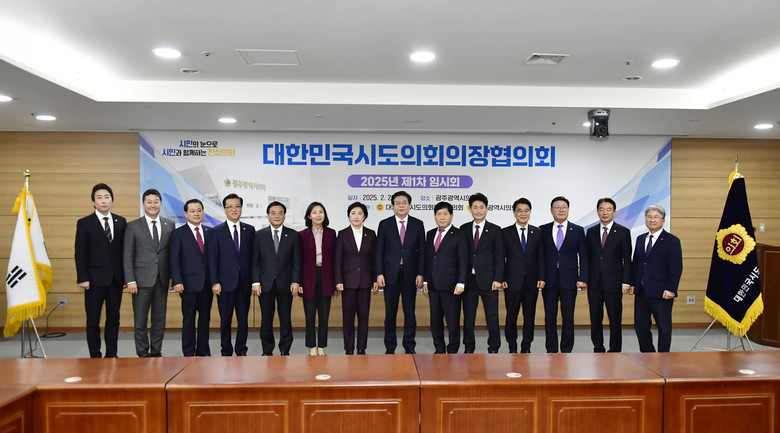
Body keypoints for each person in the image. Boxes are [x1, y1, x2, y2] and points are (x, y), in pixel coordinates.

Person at [74, 183, 126, 358]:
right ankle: (95, 355)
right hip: (93, 280)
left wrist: (125, 277)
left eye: (106, 197)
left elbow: (124, 252)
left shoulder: (121, 222)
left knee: (114, 319)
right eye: (99, 198)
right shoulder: (84, 223)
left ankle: (112, 354)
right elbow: (80, 253)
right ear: (93, 202)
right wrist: (82, 277)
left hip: (115, 280)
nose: (103, 201)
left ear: (112, 200)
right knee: (93, 320)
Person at [123, 188, 174, 357]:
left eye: (156, 201)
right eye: (149, 202)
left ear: (161, 204)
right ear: (143, 204)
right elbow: (128, 255)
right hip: (140, 281)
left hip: (162, 280)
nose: (153, 205)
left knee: (159, 320)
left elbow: (171, 254)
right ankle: (142, 354)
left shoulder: (169, 224)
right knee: (140, 320)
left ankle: (156, 351)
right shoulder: (133, 226)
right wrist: (130, 280)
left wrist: (172, 276)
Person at [376, 191, 425, 354]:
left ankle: (409, 346)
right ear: (392, 206)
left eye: (404, 202)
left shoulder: (418, 224)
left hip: (411, 275)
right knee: (390, 313)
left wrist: (420, 273)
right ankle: (390, 347)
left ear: (410, 205)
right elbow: (379, 251)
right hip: (390, 275)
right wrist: (379, 273)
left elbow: (422, 252)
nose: (401, 205)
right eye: (398, 203)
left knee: (410, 313)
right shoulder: (384, 224)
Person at [539, 196, 588, 353]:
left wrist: (583, 278)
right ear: (551, 210)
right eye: (557, 207)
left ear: (568, 209)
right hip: (549, 281)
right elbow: (539, 256)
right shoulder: (543, 230)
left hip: (570, 280)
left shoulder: (578, 230)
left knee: (568, 317)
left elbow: (584, 256)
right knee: (549, 317)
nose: (561, 210)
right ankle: (551, 349)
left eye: (564, 207)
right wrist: (540, 277)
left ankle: (567, 349)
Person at [207, 193, 254, 356]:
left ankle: (241, 350)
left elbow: (253, 258)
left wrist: (254, 281)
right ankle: (226, 350)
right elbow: (212, 258)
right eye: (230, 207)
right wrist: (215, 282)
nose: (234, 209)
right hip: (224, 283)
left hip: (244, 283)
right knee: (225, 320)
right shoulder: (216, 231)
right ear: (225, 209)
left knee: (243, 320)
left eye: (237, 206)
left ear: (241, 208)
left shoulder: (249, 230)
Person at [631, 205, 683, 352]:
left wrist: (671, 288)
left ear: (663, 220)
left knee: (664, 327)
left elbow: (676, 267)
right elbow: (636, 263)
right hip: (642, 291)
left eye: (656, 217)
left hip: (662, 292)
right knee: (640, 326)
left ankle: (663, 357)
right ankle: (648, 354)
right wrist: (633, 283)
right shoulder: (640, 239)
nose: (652, 220)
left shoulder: (672, 240)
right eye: (649, 217)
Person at [252, 201, 301, 356]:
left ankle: (285, 349)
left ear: (284, 215)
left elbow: (296, 261)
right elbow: (255, 261)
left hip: (285, 284)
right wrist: (255, 282)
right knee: (266, 320)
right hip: (265, 284)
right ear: (268, 215)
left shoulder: (293, 235)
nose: (277, 216)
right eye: (273, 213)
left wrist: (295, 281)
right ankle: (267, 350)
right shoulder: (259, 235)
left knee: (285, 319)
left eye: (280, 213)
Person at [585, 198, 632, 353]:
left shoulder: (623, 232)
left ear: (614, 212)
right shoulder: (591, 232)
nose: (605, 212)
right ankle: (598, 347)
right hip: (594, 283)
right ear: (597, 212)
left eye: (608, 209)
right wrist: (584, 279)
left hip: (614, 282)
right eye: (601, 209)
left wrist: (626, 281)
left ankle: (615, 349)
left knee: (615, 318)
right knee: (595, 318)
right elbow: (587, 258)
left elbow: (627, 259)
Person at [460, 192, 504, 353]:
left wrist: (498, 279)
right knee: (468, 316)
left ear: (486, 209)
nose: (478, 210)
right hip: (469, 280)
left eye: (481, 207)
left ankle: (494, 347)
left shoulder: (495, 230)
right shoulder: (463, 229)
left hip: (489, 280)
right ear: (470, 209)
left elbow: (499, 257)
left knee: (492, 316)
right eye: (475, 207)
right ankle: (469, 347)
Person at [501, 198, 545, 353]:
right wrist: (502, 278)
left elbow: (541, 257)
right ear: (514, 213)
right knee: (511, 316)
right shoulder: (505, 232)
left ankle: (526, 346)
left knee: (529, 316)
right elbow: (500, 257)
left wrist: (541, 277)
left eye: (526, 210)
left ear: (530, 212)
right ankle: (512, 346)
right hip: (512, 282)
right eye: (519, 210)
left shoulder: (537, 232)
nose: (523, 213)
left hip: (531, 282)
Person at [170, 199, 212, 356]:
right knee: (188, 319)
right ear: (186, 213)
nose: (196, 214)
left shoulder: (210, 232)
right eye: (192, 211)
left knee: (205, 319)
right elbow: (174, 259)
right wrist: (177, 280)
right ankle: (188, 352)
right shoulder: (178, 233)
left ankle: (203, 351)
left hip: (207, 284)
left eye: (199, 210)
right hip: (187, 284)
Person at [423, 202, 467, 354]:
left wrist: (461, 282)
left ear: (451, 216)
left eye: (445, 214)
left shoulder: (459, 234)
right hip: (433, 285)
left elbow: (463, 260)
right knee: (435, 321)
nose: (442, 217)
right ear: (435, 216)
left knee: (452, 321)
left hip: (452, 286)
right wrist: (426, 280)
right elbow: (429, 259)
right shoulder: (430, 234)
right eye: (439, 214)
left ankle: (453, 350)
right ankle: (439, 349)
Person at [334, 202, 377, 355]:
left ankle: (361, 347)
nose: (356, 216)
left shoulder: (371, 234)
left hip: (365, 281)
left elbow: (374, 258)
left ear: (365, 216)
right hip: (347, 282)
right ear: (349, 216)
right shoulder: (342, 234)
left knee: (364, 317)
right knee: (348, 318)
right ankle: (349, 348)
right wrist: (338, 280)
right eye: (353, 213)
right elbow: (337, 259)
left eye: (360, 213)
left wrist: (375, 279)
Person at [299, 202, 337, 356]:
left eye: (321, 212)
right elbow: (298, 260)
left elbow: (335, 259)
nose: (318, 215)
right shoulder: (302, 235)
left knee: (324, 315)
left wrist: (335, 281)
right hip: (308, 277)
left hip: (326, 276)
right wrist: (299, 282)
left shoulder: (331, 233)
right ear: (309, 216)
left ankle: (321, 346)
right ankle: (311, 346)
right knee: (309, 316)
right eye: (314, 212)